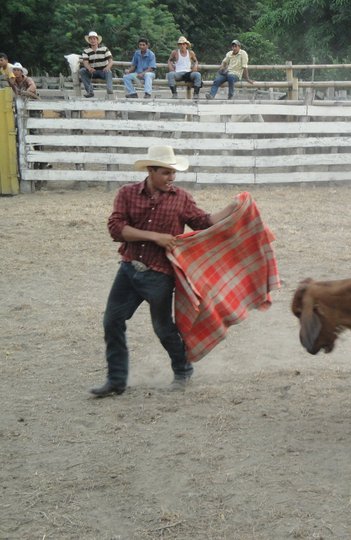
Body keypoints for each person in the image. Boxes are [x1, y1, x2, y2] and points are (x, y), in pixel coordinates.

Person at [90, 145, 237, 398]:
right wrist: (155, 236)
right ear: (151, 171)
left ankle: (182, 370)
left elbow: (203, 222)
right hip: (129, 268)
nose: (172, 177)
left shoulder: (181, 198)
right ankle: (116, 380)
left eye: (173, 172)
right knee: (111, 321)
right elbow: (115, 228)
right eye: (166, 172)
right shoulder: (126, 193)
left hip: (159, 274)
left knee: (163, 328)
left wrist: (233, 207)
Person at [79, 31, 114, 98]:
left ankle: (110, 90)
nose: (92, 40)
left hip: (103, 71)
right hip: (92, 71)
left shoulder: (105, 49)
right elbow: (85, 62)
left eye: (94, 38)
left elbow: (111, 61)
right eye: (90, 39)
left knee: (109, 72)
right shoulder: (86, 51)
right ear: (89, 40)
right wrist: (89, 68)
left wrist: (107, 67)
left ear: (97, 40)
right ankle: (90, 92)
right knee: (82, 71)